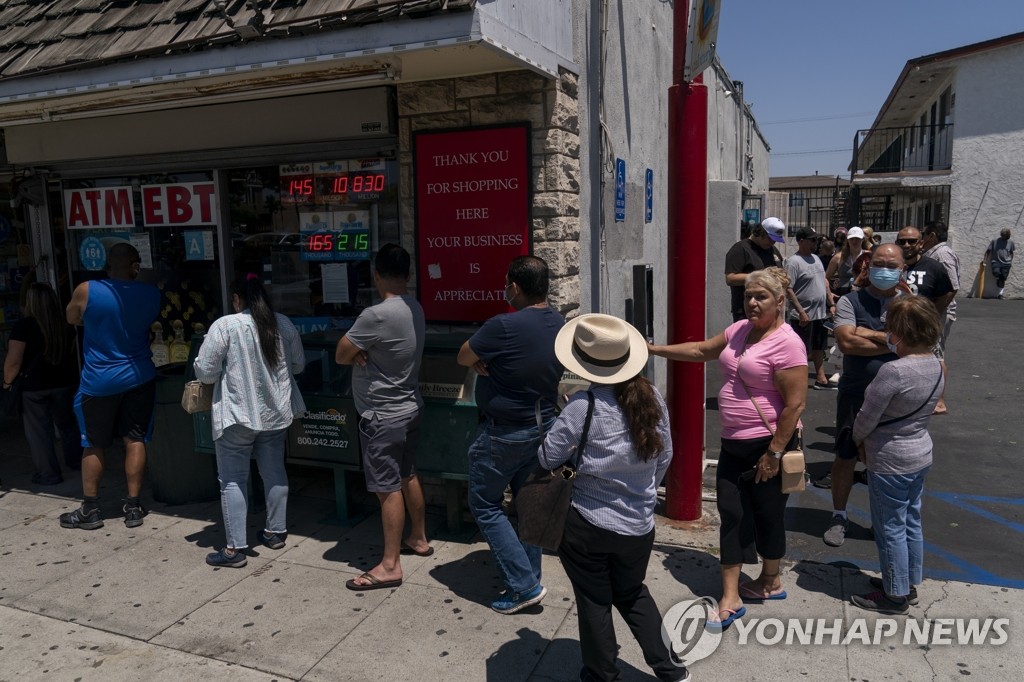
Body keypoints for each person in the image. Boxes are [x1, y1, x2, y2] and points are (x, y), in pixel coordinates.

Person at [649, 267, 807, 630]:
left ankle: (770, 579)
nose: (752, 302)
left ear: (780, 301)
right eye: (748, 296)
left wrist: (775, 452)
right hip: (734, 443)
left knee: (767, 513)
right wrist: (654, 349)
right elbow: (701, 349)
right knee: (731, 513)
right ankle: (731, 595)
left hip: (769, 445)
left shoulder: (787, 343)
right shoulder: (740, 331)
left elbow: (795, 405)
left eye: (761, 297)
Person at [542, 314, 687, 682]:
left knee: (593, 600)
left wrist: (565, 412)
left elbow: (547, 457)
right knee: (632, 593)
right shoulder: (652, 398)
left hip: (587, 524)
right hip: (638, 524)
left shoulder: (581, 407)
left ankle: (602, 674)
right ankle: (670, 669)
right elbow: (664, 456)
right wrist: (643, 490)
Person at [457, 255, 565, 614]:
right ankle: (530, 576)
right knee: (527, 505)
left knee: (485, 505)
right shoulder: (559, 322)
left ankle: (522, 585)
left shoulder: (502, 326)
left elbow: (462, 356)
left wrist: (476, 358)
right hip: (543, 427)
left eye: (507, 283)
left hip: (503, 433)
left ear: (514, 287)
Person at [194, 273, 306, 568]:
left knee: (232, 479)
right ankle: (275, 532)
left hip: (237, 416)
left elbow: (205, 372)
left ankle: (234, 550)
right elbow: (298, 364)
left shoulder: (225, 326)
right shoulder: (282, 324)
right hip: (275, 414)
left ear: (236, 299)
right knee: (274, 472)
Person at [336, 244, 428, 590]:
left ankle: (390, 565)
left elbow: (341, 355)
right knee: (407, 473)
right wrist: (365, 350)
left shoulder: (375, 315)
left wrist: (361, 350)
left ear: (376, 275)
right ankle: (418, 537)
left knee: (387, 489)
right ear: (407, 275)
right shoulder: (414, 307)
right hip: (409, 407)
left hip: (382, 415)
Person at [850, 296, 943, 614]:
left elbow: (866, 418)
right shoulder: (935, 363)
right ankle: (906, 582)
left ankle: (894, 595)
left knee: (889, 526)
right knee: (911, 521)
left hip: (890, 459)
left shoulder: (894, 372)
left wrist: (857, 441)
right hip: (919, 452)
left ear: (902, 331)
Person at [60, 243, 160, 531]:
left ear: (107, 264)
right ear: (135, 266)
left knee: (92, 444)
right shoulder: (152, 294)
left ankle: (90, 509)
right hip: (139, 376)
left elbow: (71, 318)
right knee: (135, 439)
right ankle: (133, 506)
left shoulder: (87, 290)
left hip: (98, 381)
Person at [820, 244, 905, 547]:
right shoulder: (850, 301)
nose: (885, 269)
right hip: (856, 393)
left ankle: (880, 520)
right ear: (868, 267)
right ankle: (839, 515)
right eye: (879, 263)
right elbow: (846, 343)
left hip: (897, 397)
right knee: (845, 455)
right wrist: (894, 342)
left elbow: (918, 343)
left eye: (891, 265)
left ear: (902, 269)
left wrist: (866, 333)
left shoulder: (909, 305)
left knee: (883, 462)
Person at [3, 282, 82, 485]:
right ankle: (77, 461)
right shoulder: (65, 323)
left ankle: (49, 474)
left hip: (34, 386)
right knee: (68, 424)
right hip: (63, 382)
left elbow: (13, 361)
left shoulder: (24, 326)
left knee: (39, 432)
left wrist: (6, 382)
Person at [785, 227, 835, 389]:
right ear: (801, 241)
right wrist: (800, 311)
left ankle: (821, 379)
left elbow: (824, 282)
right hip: (803, 315)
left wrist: (831, 303)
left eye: (816, 240)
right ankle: (797, 383)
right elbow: (788, 288)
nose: (816, 243)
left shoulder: (816, 258)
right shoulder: (793, 262)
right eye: (812, 240)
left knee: (819, 347)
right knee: (801, 351)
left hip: (820, 313)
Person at [921, 220, 962, 414]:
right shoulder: (934, 253)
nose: (921, 239)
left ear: (932, 236)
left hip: (939, 312)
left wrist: (933, 313)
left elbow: (952, 287)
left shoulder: (942, 254)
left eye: (923, 235)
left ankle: (939, 401)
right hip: (933, 311)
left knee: (937, 356)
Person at [724, 217, 785, 322]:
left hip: (770, 310)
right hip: (748, 310)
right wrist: (761, 275)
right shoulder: (741, 248)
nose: (773, 243)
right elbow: (730, 278)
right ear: (760, 232)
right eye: (770, 239)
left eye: (775, 240)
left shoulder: (772, 250)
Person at [897, 226, 954, 311]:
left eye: (912, 241)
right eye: (902, 241)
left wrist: (930, 316)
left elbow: (943, 297)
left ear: (920, 244)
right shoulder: (887, 266)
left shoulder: (934, 267)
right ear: (896, 243)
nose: (906, 245)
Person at [825, 226, 865, 298]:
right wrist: (829, 294)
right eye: (851, 239)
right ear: (847, 240)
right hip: (843, 296)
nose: (854, 242)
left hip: (863, 296)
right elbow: (826, 278)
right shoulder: (839, 257)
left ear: (863, 239)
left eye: (857, 239)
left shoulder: (868, 256)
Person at [983, 228, 1014, 298]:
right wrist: (985, 260)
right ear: (1002, 235)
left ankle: (1000, 294)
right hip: (996, 261)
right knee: (996, 272)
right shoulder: (994, 241)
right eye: (1006, 236)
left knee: (1003, 278)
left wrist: (1010, 261)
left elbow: (1011, 252)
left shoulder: (1011, 242)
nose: (1007, 238)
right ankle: (998, 278)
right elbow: (988, 251)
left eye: (1008, 236)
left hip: (1006, 263)